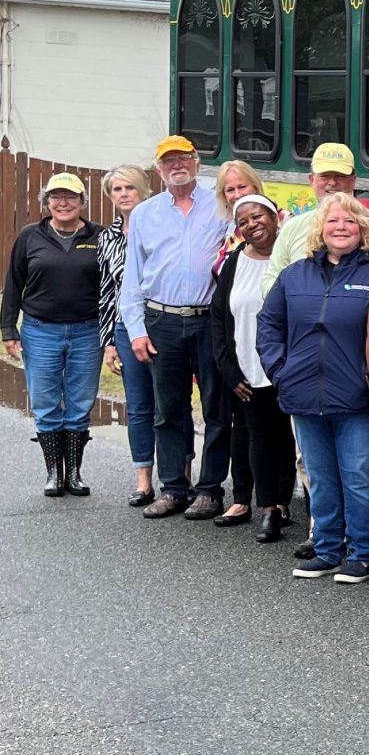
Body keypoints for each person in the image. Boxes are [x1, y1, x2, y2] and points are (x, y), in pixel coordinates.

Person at [257, 194, 369, 583]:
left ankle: (363, 553)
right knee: (321, 475)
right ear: (320, 229)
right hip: (304, 394)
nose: (341, 228)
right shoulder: (294, 275)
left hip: (357, 398)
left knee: (359, 475)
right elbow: (269, 326)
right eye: (333, 222)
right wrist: (281, 371)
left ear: (362, 228)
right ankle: (328, 548)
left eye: (349, 221)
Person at [119, 135, 232, 520]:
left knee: (217, 407)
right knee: (168, 409)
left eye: (183, 158)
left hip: (208, 321)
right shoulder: (146, 214)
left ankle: (210, 490)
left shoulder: (221, 206)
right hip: (161, 320)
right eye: (168, 162)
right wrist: (135, 328)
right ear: (158, 170)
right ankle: (173, 488)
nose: (176, 166)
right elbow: (132, 277)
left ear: (197, 162)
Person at [3, 172, 104, 497]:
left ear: (82, 202)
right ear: (46, 203)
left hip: (87, 331)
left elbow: (114, 286)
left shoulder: (99, 236)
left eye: (70, 197)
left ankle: (74, 472)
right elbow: (14, 284)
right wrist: (8, 329)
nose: (63, 203)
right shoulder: (30, 236)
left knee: (80, 401)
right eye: (56, 197)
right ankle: (53, 474)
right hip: (39, 331)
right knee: (46, 402)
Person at [210, 195, 297, 541]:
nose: (251, 224)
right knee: (258, 437)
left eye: (257, 216)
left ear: (275, 217)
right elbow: (219, 318)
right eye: (243, 221)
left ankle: (285, 500)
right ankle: (268, 509)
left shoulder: (291, 260)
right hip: (247, 367)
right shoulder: (233, 263)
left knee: (286, 437)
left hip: (287, 366)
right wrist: (228, 369)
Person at [261, 144, 369, 293]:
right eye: (325, 176)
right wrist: (297, 297)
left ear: (353, 180)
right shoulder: (292, 228)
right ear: (311, 179)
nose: (332, 182)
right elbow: (270, 280)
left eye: (340, 176)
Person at [98, 164, 158, 506]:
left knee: (169, 404)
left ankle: (177, 478)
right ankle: (143, 480)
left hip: (161, 323)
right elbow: (106, 292)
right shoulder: (107, 238)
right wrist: (108, 341)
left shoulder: (159, 226)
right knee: (138, 406)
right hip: (124, 327)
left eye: (129, 188)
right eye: (117, 190)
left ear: (143, 190)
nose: (123, 194)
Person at [210, 160, 264, 272]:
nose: (238, 195)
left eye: (242, 187)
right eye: (230, 190)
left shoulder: (279, 220)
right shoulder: (230, 226)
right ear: (223, 195)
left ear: (255, 187)